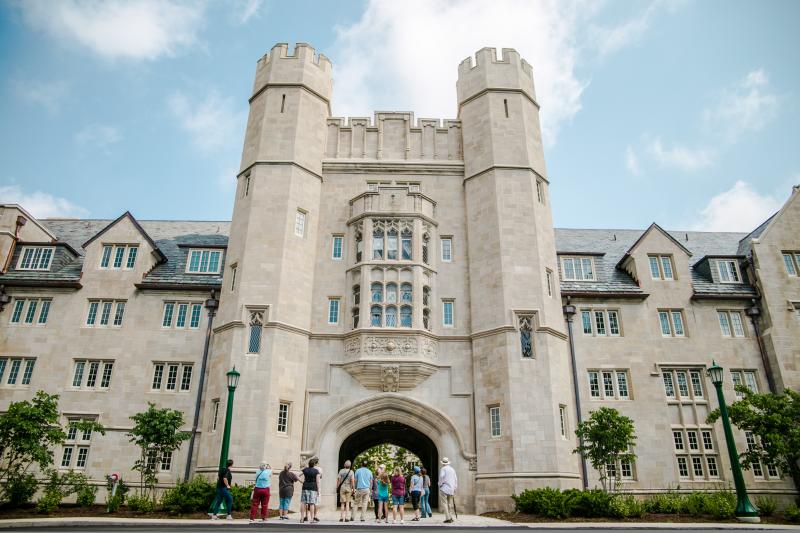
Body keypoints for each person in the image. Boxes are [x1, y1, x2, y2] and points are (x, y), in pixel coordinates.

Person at [300, 458, 321, 523]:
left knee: (303, 502)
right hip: (313, 488)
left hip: (305, 487)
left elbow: (297, 475)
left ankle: (302, 518)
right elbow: (317, 481)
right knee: (312, 503)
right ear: (314, 464)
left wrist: (302, 481)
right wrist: (318, 490)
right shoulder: (316, 471)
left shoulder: (305, 470)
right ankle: (312, 519)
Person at [438, 457, 458, 523]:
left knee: (444, 503)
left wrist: (440, 484)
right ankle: (451, 517)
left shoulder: (443, 469)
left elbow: (441, 477)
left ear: (443, 463)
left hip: (444, 488)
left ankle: (448, 518)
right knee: (449, 503)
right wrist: (455, 487)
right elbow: (455, 479)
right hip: (451, 488)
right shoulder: (452, 469)